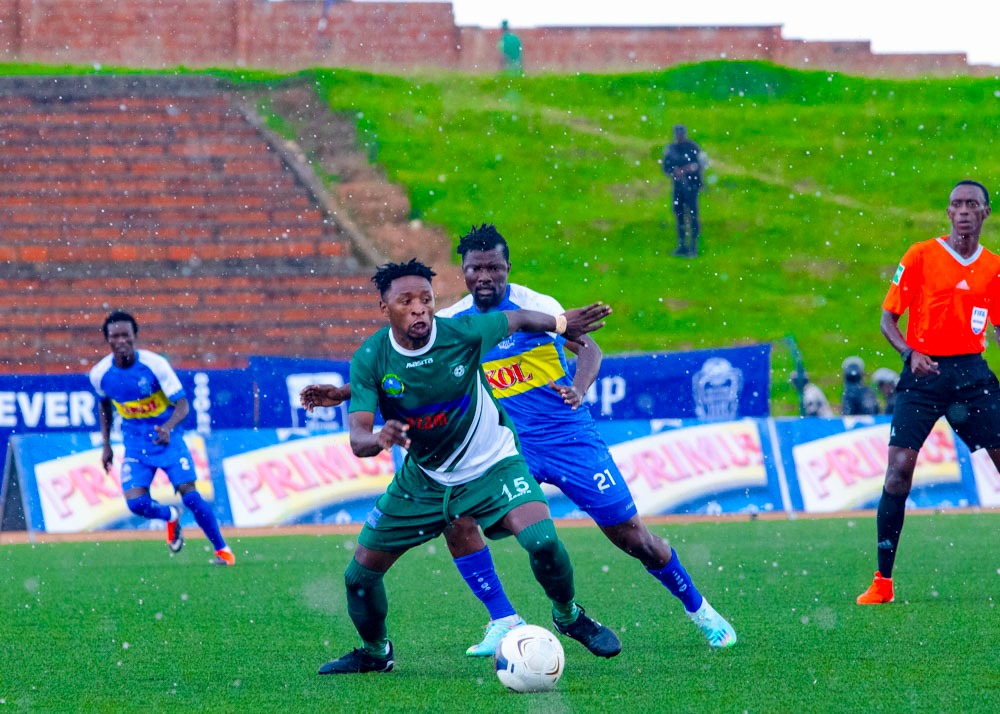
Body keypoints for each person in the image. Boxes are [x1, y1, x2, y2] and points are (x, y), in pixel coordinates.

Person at [304, 226, 736, 658]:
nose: (485, 277)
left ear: (508, 268)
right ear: (463, 272)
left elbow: (589, 348)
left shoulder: (536, 306)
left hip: (567, 437)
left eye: (494, 268)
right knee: (457, 519)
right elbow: (404, 371)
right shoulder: (453, 321)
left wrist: (579, 388)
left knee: (631, 535)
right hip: (509, 447)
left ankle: (699, 609)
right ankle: (503, 618)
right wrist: (345, 394)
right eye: (476, 269)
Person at [314, 259, 622, 675]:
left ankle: (568, 615)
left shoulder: (462, 332)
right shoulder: (370, 358)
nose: (420, 308)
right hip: (425, 479)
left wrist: (562, 324)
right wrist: (379, 438)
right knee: (359, 578)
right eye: (406, 301)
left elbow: (516, 319)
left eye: (426, 299)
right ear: (384, 308)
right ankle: (375, 653)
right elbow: (358, 438)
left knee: (543, 541)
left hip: (494, 463)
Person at [857, 180, 1000, 605]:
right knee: (898, 472)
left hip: (972, 376)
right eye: (956, 204)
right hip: (923, 373)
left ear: (985, 213)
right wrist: (909, 353)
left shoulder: (994, 267)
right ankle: (883, 582)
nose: (963, 211)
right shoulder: (920, 255)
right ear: (948, 212)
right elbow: (887, 319)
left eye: (972, 204)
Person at [89, 311, 235, 566]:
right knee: (137, 504)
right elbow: (104, 407)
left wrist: (168, 427)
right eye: (115, 336)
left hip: (168, 439)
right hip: (136, 444)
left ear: (135, 336)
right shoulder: (100, 374)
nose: (121, 341)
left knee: (190, 495)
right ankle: (170, 516)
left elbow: (183, 405)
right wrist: (106, 445)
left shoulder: (154, 365)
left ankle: (222, 549)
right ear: (107, 339)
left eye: (126, 335)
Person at [662, 124, 704, 258]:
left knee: (693, 216)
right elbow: (666, 167)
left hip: (691, 186)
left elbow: (700, 164)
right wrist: (674, 172)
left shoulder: (692, 147)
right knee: (679, 215)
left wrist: (688, 170)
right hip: (678, 187)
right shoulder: (671, 149)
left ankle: (693, 247)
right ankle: (682, 245)